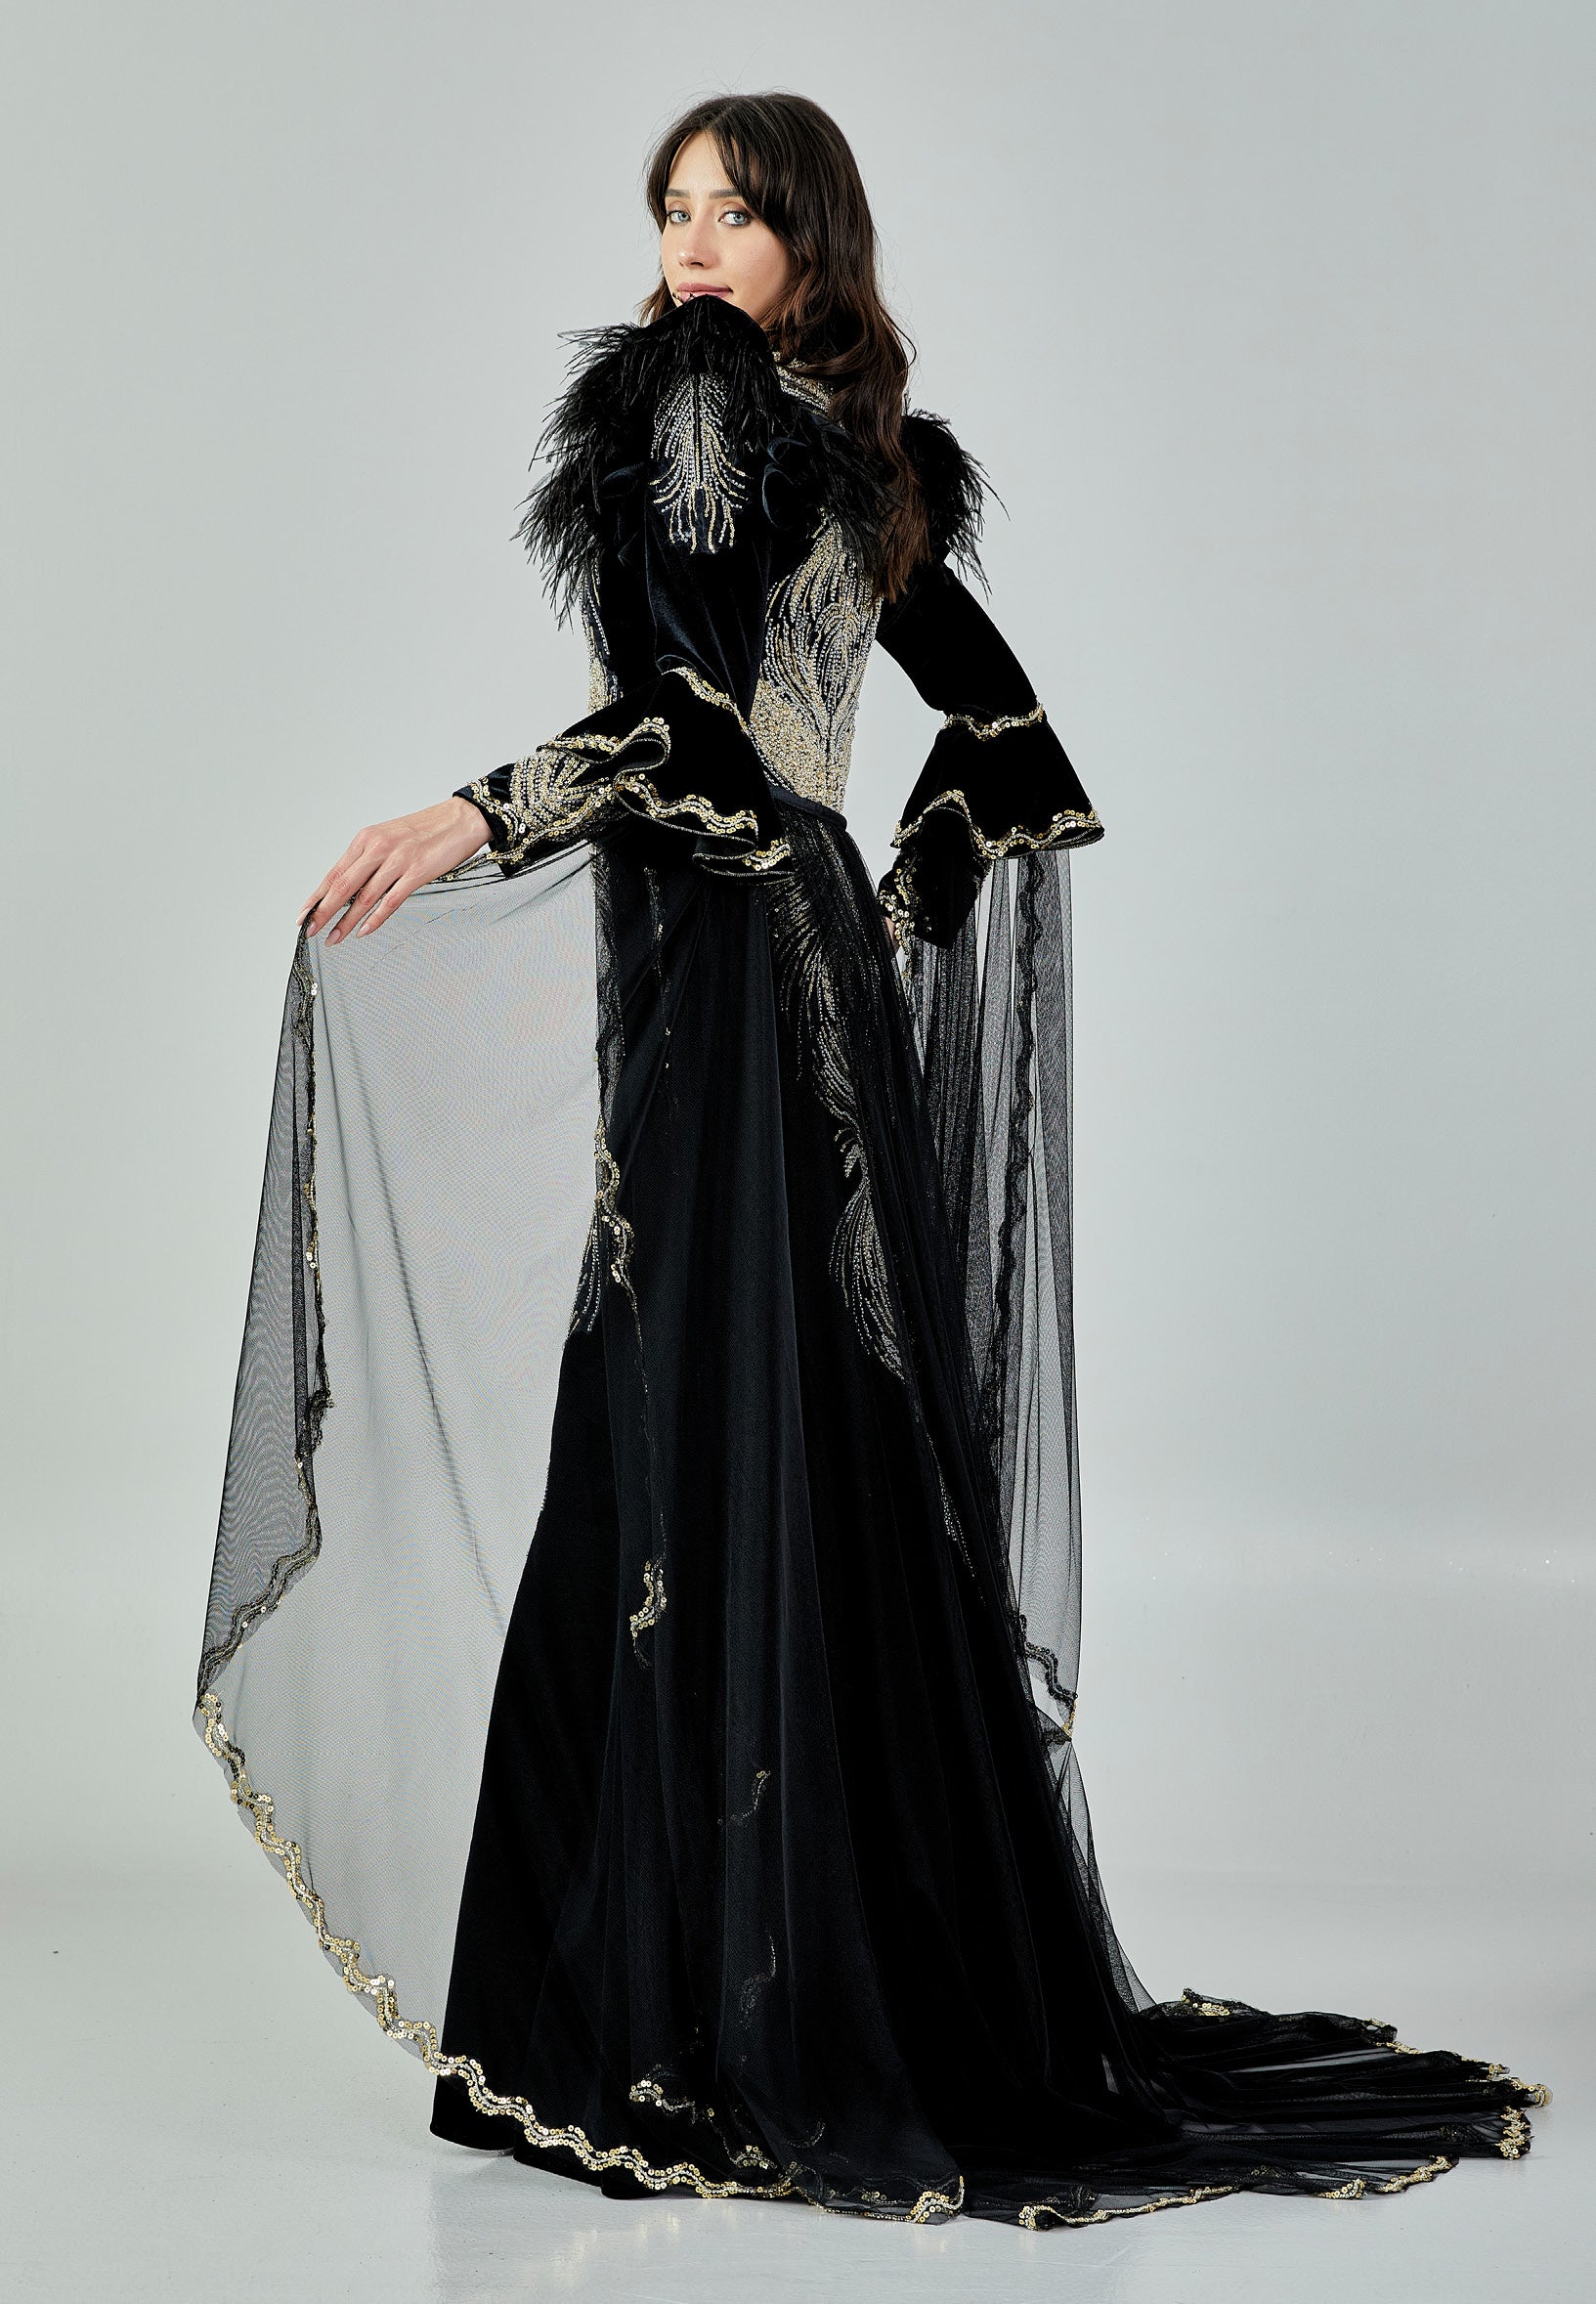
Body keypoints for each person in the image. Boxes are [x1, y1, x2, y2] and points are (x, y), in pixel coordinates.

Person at [195, 92, 1544, 2228]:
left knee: (690, 1409)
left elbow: (687, 717)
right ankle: (813, 1982)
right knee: (798, 1409)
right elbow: (993, 748)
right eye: (669, 209)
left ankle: (666, 2015)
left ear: (812, 237)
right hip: (794, 947)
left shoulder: (704, 403)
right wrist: (875, 897)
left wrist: (472, 811)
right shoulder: (868, 451)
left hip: (727, 966)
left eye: (734, 211)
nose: (690, 246)